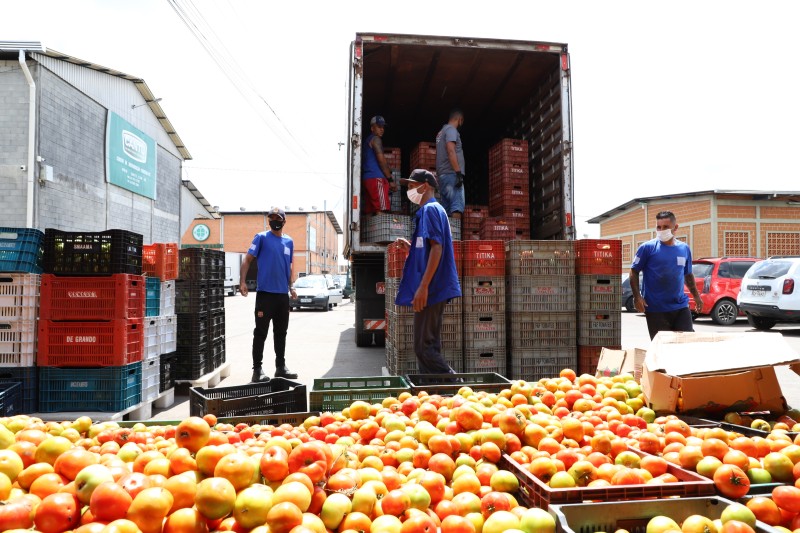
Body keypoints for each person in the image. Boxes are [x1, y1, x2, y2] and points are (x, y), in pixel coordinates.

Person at [394, 169, 462, 374]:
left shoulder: (430, 210)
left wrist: (423, 287)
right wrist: (411, 248)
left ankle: (454, 386)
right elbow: (429, 246)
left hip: (432, 288)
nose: (409, 189)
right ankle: (433, 394)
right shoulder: (433, 210)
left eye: (412, 185)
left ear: (425, 186)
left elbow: (437, 247)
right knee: (426, 346)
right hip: (432, 287)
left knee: (424, 348)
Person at [239, 207, 299, 382]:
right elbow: (247, 259)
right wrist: (242, 282)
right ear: (268, 221)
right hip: (265, 295)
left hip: (282, 296)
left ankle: (280, 367)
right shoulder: (262, 237)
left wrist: (291, 287)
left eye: (278, 218)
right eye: (271, 218)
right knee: (260, 333)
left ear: (284, 221)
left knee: (281, 333)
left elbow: (288, 266)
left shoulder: (289, 242)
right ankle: (257, 370)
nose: (274, 221)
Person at [630, 210, 704, 340]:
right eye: (659, 227)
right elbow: (634, 271)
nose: (661, 230)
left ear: (675, 228)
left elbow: (688, 274)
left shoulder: (684, 248)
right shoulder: (647, 248)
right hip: (655, 308)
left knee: (687, 342)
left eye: (665, 227)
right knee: (662, 347)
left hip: (680, 306)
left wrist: (697, 297)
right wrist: (637, 297)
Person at [362, 115, 397, 215]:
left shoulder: (367, 141)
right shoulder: (376, 139)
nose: (382, 129)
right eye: (379, 127)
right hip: (376, 178)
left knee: (370, 212)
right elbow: (381, 160)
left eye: (383, 127)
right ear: (372, 128)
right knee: (381, 211)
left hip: (367, 179)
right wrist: (390, 180)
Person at [435, 109, 466, 220]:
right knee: (456, 207)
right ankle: (455, 236)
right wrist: (458, 173)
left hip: (443, 176)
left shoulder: (441, 132)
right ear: (459, 119)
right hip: (452, 174)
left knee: (446, 211)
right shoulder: (451, 130)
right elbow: (450, 150)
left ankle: (447, 236)